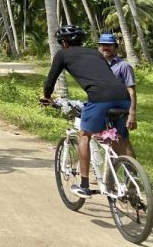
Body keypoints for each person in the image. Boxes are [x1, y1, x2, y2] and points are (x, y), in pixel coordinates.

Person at [42, 25, 132, 198]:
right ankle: (132, 182)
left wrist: (46, 96)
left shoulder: (62, 54)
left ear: (63, 42)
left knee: (85, 135)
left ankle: (84, 185)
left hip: (99, 98)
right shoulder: (95, 53)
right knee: (120, 140)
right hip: (123, 96)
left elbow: (50, 80)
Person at [96, 32, 137, 156]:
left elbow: (131, 91)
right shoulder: (97, 66)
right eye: (102, 45)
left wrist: (132, 114)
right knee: (108, 142)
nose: (105, 48)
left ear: (115, 47)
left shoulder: (124, 66)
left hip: (120, 109)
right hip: (102, 109)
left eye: (109, 45)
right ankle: (111, 173)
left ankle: (132, 173)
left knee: (122, 141)